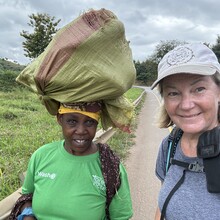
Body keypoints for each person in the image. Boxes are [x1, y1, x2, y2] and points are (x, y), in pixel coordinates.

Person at [9, 8, 135, 220]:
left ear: (97, 123)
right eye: (71, 121)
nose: (81, 130)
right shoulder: (41, 156)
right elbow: (28, 194)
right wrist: (28, 213)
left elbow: (121, 218)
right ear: (59, 119)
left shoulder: (110, 168)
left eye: (89, 122)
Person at [151, 43, 220, 220]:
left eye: (199, 89)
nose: (186, 105)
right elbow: (163, 204)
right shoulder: (170, 145)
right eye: (173, 93)